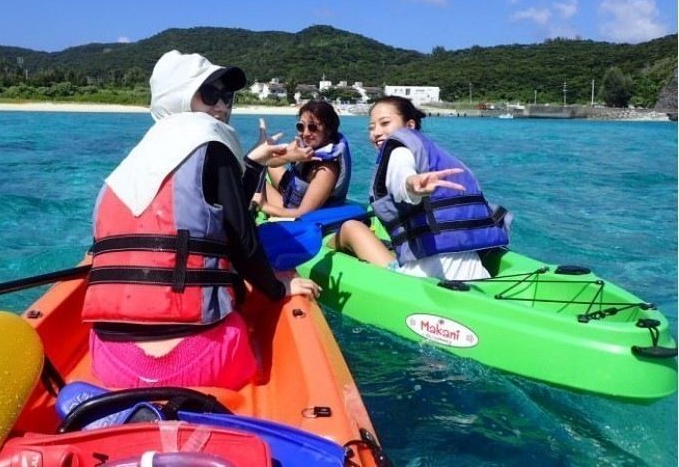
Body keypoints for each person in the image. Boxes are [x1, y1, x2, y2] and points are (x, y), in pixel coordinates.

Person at [82, 50, 321, 390]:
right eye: (210, 93)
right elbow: (241, 236)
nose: (222, 106)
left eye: (228, 96)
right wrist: (277, 286)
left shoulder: (126, 169)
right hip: (200, 362)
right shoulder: (210, 139)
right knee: (246, 326)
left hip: (109, 361)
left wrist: (253, 165)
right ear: (177, 96)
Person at [330, 95, 511, 281]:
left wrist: (412, 185)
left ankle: (321, 253)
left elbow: (401, 176)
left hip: (419, 277)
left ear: (409, 126)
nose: (375, 132)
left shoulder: (398, 152)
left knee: (351, 227)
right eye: (372, 127)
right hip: (475, 272)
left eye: (384, 123)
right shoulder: (444, 159)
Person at [254, 100, 351, 218]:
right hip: (291, 190)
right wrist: (290, 157)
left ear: (329, 129)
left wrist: (264, 205)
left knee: (247, 179)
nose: (305, 133)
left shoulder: (327, 169)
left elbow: (302, 214)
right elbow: (269, 162)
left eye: (312, 127)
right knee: (254, 170)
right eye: (301, 126)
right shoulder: (301, 143)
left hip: (291, 209)